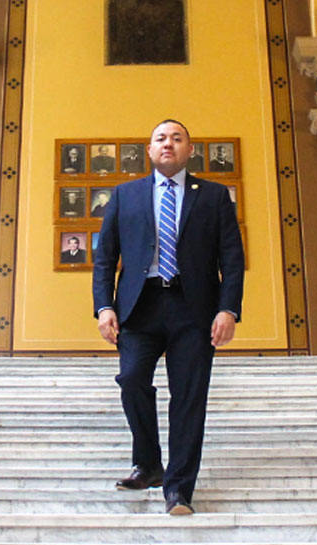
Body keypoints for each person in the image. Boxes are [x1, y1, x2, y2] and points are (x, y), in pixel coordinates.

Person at [92, 119, 244, 515]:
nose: (168, 144)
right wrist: (104, 306)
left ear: (189, 150)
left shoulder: (213, 197)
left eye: (177, 138)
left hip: (193, 309)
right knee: (131, 380)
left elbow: (232, 257)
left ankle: (178, 489)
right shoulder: (125, 195)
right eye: (161, 138)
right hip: (139, 309)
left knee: (189, 399)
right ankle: (149, 462)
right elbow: (105, 257)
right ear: (149, 149)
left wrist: (228, 309)